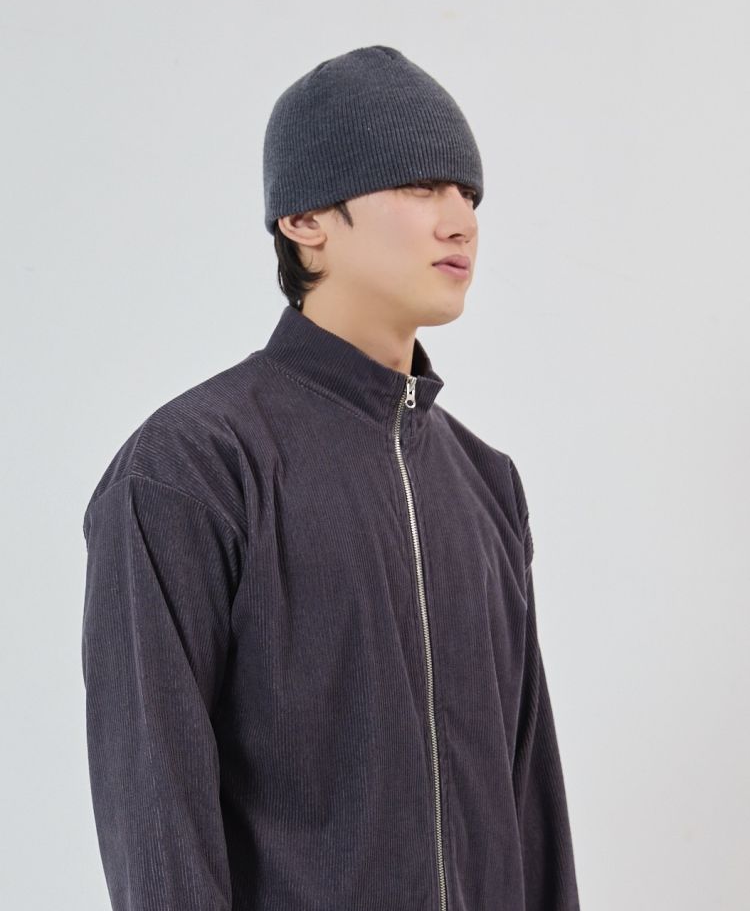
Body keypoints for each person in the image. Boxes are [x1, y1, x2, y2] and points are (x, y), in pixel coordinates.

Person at [81, 44, 581, 911]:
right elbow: (156, 815)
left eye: (469, 194)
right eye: (421, 186)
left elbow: (531, 803)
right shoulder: (192, 468)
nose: (460, 221)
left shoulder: (486, 486)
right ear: (305, 218)